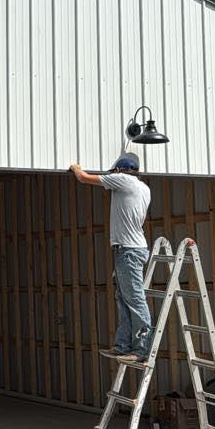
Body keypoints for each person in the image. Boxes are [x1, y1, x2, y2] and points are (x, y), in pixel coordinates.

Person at [70, 154, 153, 363]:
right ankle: (123, 346)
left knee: (134, 300)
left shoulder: (122, 180)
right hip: (131, 249)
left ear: (119, 170)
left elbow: (84, 178)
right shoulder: (144, 188)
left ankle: (141, 350)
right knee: (124, 299)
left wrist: (75, 168)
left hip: (128, 251)